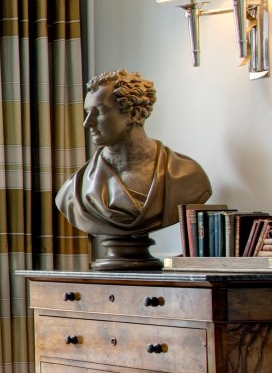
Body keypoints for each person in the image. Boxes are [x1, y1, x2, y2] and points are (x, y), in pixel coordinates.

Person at [54, 69, 211, 269]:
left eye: (99, 111)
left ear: (133, 113)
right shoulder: (73, 191)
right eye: (87, 112)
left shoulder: (187, 176)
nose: (87, 123)